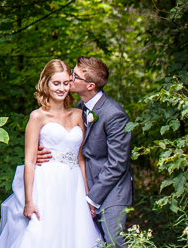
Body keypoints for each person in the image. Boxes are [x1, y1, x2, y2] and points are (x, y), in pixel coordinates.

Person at [0, 59, 101, 248]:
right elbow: (29, 160)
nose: (61, 88)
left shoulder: (78, 114)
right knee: (42, 234)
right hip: (47, 184)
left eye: (66, 83)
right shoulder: (38, 116)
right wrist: (28, 201)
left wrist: (87, 195)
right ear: (46, 84)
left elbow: (81, 158)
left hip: (73, 185)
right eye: (56, 83)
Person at [35, 57, 134, 248]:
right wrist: (45, 153)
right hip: (81, 186)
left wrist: (91, 198)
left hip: (111, 191)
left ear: (90, 86)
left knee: (115, 243)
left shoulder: (114, 114)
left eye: (75, 76)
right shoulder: (78, 108)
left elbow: (117, 164)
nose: (70, 78)